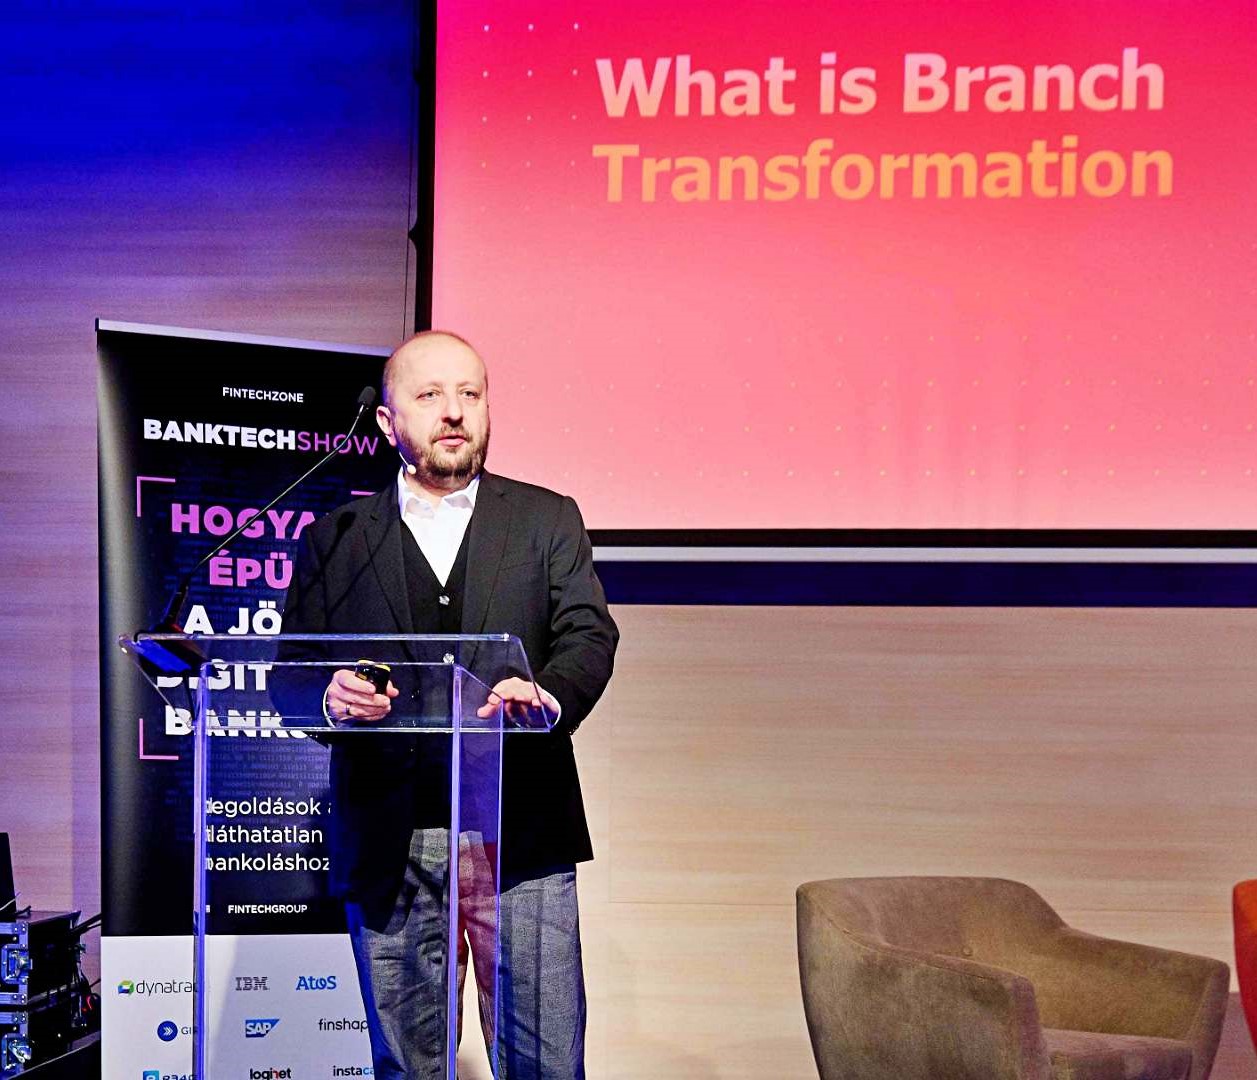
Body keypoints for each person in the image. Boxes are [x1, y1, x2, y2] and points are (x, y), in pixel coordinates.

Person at [279, 330, 618, 1079]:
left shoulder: (545, 519)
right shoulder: (338, 536)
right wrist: (328, 697)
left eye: (470, 393)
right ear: (386, 421)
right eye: (429, 395)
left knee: (546, 1060)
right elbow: (290, 672)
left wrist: (549, 693)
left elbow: (589, 633)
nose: (454, 411)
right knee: (407, 1063)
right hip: (389, 835)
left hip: (521, 830)